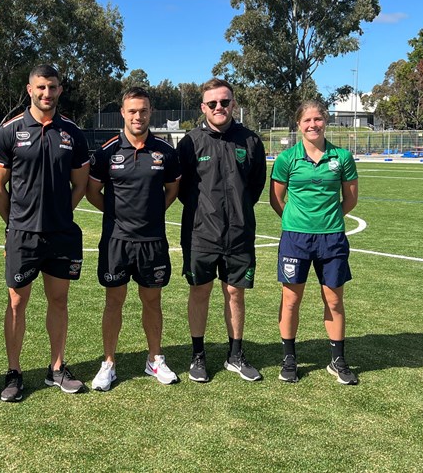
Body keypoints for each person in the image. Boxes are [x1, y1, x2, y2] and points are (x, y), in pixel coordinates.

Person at [0, 64, 90, 401]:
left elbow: (79, 184)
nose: (47, 93)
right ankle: (14, 372)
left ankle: (57, 368)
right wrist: (15, 222)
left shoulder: (73, 133)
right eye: (41, 87)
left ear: (60, 90)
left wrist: (61, 211)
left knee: (59, 300)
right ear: (30, 89)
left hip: (61, 234)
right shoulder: (9, 131)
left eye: (53, 87)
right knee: (17, 302)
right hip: (22, 234)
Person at [86, 87, 181, 391]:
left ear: (150, 112)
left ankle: (155, 359)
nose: (138, 116)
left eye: (143, 110)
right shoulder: (106, 152)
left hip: (152, 240)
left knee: (152, 301)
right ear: (123, 113)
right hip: (116, 240)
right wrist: (116, 214)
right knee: (114, 301)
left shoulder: (165, 151)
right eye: (132, 111)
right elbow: (92, 191)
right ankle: (109, 363)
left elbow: (172, 190)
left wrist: (151, 213)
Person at [177, 78, 266, 383]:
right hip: (200, 233)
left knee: (235, 293)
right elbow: (182, 190)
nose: (219, 107)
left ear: (233, 105)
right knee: (199, 291)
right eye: (212, 103)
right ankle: (198, 355)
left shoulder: (251, 141)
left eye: (225, 102)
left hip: (239, 233)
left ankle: (235, 355)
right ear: (203, 107)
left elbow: (254, 187)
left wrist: (237, 212)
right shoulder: (189, 142)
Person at [269, 100, 359, 385]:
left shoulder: (341, 157)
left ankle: (337, 360)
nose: (313, 125)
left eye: (318, 119)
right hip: (295, 238)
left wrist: (327, 219)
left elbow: (351, 199)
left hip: (332, 238)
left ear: (325, 121)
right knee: (291, 300)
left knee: (334, 300)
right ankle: (289, 358)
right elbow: (276, 199)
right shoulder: (287, 159)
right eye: (307, 120)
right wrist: (297, 221)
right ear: (298, 125)